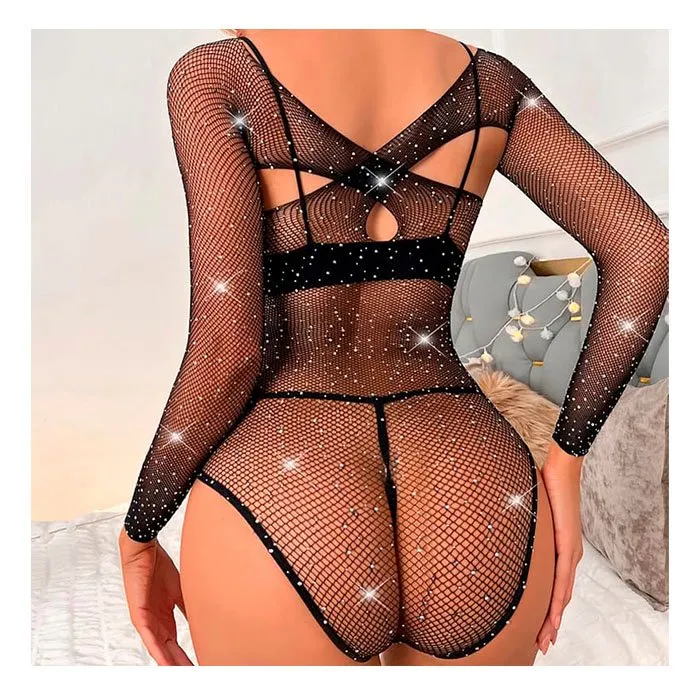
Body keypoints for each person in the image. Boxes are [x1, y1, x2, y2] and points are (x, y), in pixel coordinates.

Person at [118, 29, 669, 666]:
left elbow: (229, 349)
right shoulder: (492, 82)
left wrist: (140, 533)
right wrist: (565, 463)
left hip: (286, 487)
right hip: (474, 484)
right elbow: (643, 249)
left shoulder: (218, 73)